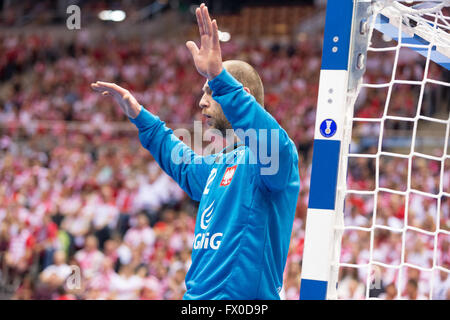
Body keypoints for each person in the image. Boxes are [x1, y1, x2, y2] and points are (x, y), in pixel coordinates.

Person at [91, 3, 300, 299]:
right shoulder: (221, 164)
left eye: (210, 93)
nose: (202, 102)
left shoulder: (274, 159)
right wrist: (141, 118)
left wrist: (221, 81)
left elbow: (267, 139)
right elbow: (185, 165)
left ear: (243, 96)